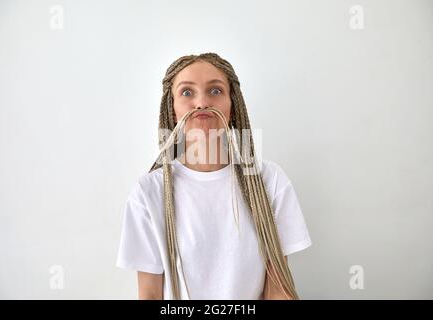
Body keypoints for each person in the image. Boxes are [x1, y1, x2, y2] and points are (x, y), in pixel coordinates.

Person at [116, 52, 312, 300]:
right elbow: (150, 295)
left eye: (215, 91)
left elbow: (278, 290)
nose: (201, 103)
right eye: (187, 92)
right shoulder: (148, 193)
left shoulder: (270, 181)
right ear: (172, 109)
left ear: (232, 107)